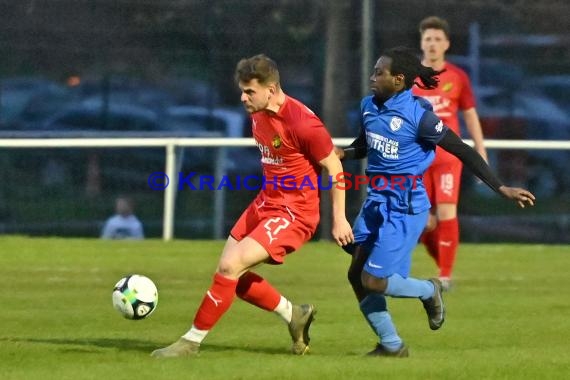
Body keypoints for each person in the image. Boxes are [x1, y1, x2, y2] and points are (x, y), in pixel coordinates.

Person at [335, 46, 535, 357]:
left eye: (379, 72)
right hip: (376, 200)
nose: (372, 77)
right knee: (356, 274)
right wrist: (343, 154)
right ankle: (391, 345)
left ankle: (430, 290)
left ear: (399, 80)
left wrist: (500, 187)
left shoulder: (420, 117)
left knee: (374, 280)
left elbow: (462, 150)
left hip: (405, 206)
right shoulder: (368, 106)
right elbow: (365, 145)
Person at [151, 54, 354, 358]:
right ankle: (294, 314)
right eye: (242, 90)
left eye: (249, 91)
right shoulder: (259, 111)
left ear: (271, 89)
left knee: (230, 267)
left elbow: (335, 169)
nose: (243, 98)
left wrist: (340, 218)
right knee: (231, 274)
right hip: (265, 203)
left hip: (294, 213)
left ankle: (190, 342)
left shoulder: (302, 122)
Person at [412, 16, 488, 289]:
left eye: (437, 39)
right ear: (421, 43)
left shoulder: (457, 77)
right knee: (424, 222)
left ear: (446, 44)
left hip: (447, 158)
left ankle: (445, 275)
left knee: (446, 211)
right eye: (428, 39)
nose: (432, 44)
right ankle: (441, 263)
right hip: (417, 159)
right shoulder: (410, 77)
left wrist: (480, 150)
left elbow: (470, 115)